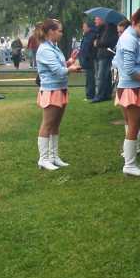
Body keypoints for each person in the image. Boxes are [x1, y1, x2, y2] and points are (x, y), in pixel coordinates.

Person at [34, 19, 81, 171]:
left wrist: (70, 61)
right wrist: (72, 68)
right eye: (59, 31)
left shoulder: (54, 47)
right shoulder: (45, 49)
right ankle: (43, 159)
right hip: (51, 91)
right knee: (47, 124)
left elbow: (60, 66)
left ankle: (54, 157)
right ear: (51, 32)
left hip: (60, 89)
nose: (61, 33)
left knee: (55, 125)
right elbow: (58, 71)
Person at [114, 9, 140, 177]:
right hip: (131, 87)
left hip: (131, 86)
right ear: (139, 25)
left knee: (134, 124)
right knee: (133, 125)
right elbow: (130, 70)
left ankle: (132, 162)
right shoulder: (129, 40)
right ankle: (129, 164)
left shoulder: (132, 38)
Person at [90, 16, 118, 103]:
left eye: (97, 19)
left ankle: (100, 96)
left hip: (106, 55)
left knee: (101, 76)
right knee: (106, 76)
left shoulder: (110, 28)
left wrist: (97, 43)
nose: (95, 21)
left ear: (102, 19)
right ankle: (106, 95)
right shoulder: (102, 29)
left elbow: (106, 41)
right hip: (103, 55)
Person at [78, 20, 98, 101]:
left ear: (88, 27)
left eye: (84, 26)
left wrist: (85, 57)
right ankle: (89, 94)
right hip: (88, 59)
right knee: (89, 77)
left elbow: (87, 47)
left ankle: (90, 95)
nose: (83, 28)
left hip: (89, 59)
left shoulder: (91, 35)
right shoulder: (88, 35)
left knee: (90, 78)